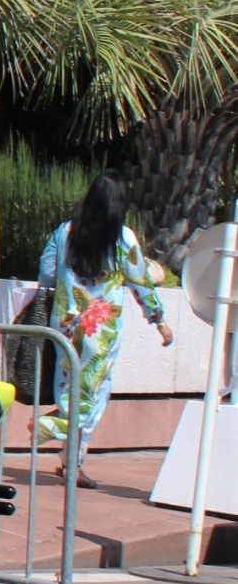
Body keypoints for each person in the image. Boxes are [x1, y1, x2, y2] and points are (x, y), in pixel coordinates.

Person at [34, 172, 173, 486]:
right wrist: (160, 322)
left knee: (69, 389)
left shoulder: (64, 232)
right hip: (101, 331)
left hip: (66, 327)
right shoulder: (124, 240)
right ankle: (52, 431)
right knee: (93, 397)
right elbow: (143, 287)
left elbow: (45, 273)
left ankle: (70, 460)